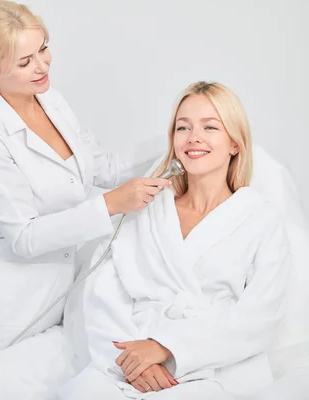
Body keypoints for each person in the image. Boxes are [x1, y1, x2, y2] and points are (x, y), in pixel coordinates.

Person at [0, 0, 169, 391]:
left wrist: (175, 138)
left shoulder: (51, 100)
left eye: (44, 48)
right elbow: (25, 237)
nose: (43, 66)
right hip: (10, 306)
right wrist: (111, 204)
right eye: (25, 62)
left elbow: (101, 167)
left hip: (63, 298)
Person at [58, 81, 292, 399]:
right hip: (130, 359)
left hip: (213, 365)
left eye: (210, 127)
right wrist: (132, 360)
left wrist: (167, 349)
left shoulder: (261, 220)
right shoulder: (147, 210)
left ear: (235, 143)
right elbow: (105, 294)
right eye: (183, 127)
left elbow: (259, 317)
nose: (193, 137)